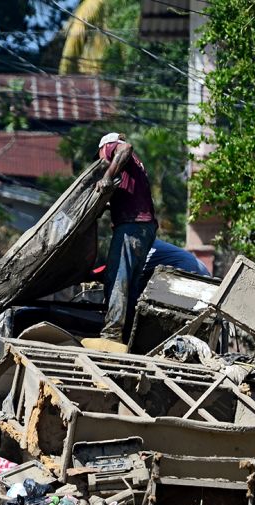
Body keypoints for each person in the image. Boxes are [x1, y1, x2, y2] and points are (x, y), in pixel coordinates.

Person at [92, 132, 158, 349]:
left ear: (105, 147)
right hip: (144, 227)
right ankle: (128, 336)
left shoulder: (114, 147)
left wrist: (107, 175)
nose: (101, 160)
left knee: (118, 277)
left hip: (132, 226)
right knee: (130, 283)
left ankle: (111, 334)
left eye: (100, 155)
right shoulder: (133, 170)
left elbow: (125, 147)